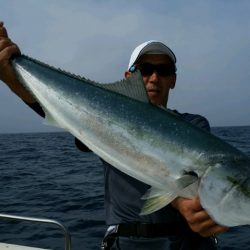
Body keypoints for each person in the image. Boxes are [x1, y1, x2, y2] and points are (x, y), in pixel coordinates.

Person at [0, 22, 228, 250]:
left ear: (173, 80)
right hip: (126, 242)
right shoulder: (101, 122)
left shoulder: (193, 126)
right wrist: (12, 76)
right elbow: (60, 109)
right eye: (145, 70)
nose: (154, 78)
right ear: (129, 77)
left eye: (164, 71)